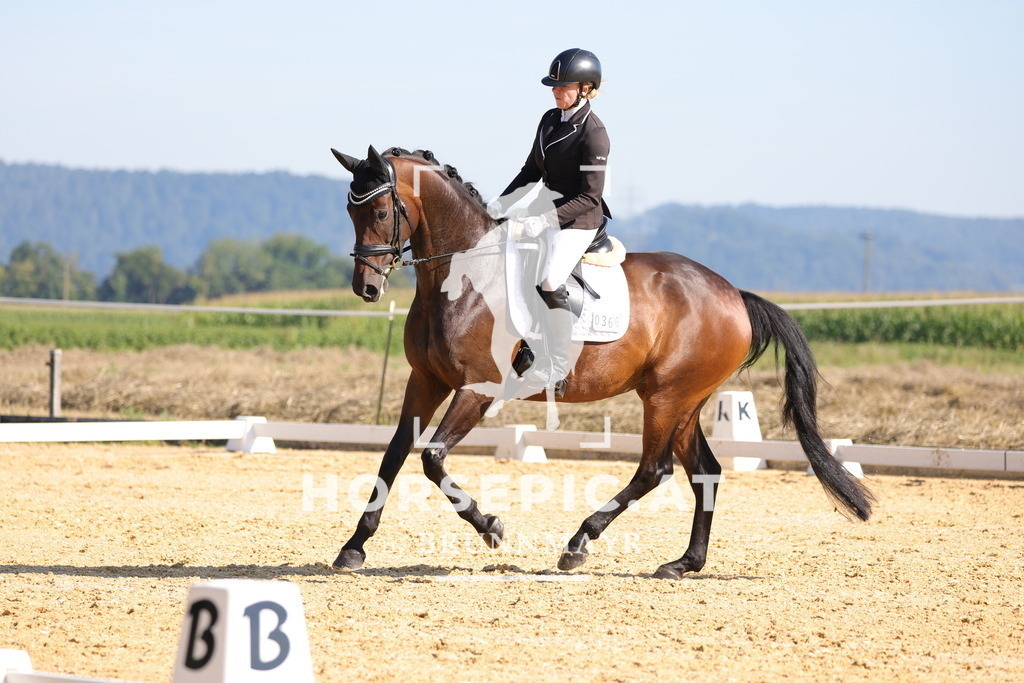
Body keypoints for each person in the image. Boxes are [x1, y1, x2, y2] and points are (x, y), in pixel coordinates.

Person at [490, 48, 612, 398]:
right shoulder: (548, 120)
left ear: (586, 88)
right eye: (553, 87)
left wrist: (543, 221)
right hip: (544, 209)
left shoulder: (594, 134)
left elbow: (590, 196)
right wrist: (498, 205)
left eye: (563, 87)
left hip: (578, 220)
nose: (556, 92)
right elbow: (531, 171)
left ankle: (557, 366)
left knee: (549, 279)